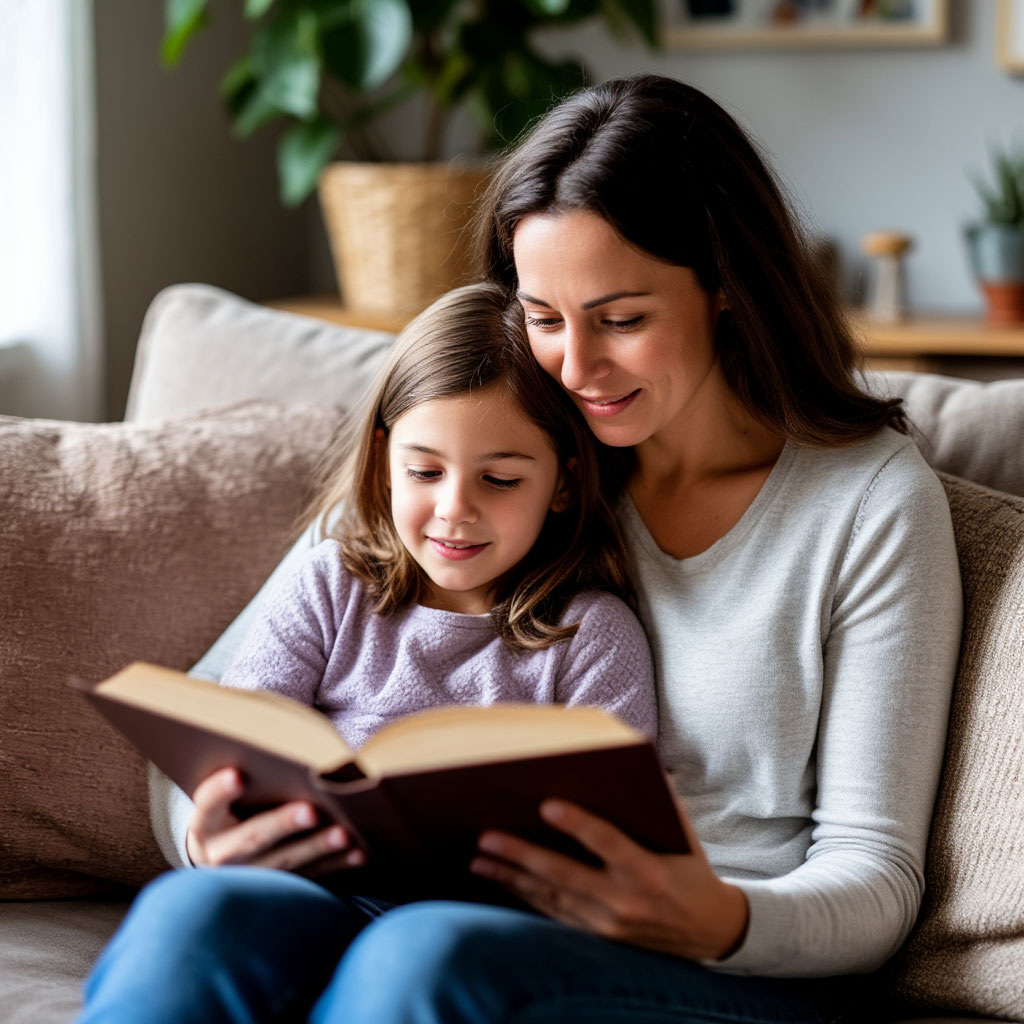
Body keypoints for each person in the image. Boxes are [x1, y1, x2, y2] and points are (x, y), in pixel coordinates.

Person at [85, 74, 962, 1024]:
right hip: (400, 902)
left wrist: (715, 917)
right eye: (543, 317)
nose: (575, 370)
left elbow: (877, 880)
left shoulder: (868, 505)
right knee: (200, 917)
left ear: (725, 288)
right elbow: (217, 718)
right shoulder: (480, 457)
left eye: (621, 320)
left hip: (716, 963)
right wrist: (206, 834)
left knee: (427, 958)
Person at [78, 282, 657, 1022]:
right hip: (310, 891)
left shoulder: (590, 634)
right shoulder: (333, 582)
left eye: (501, 479)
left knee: (409, 959)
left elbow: (618, 830)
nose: (455, 508)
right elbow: (249, 739)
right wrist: (214, 825)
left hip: (481, 932)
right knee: (192, 913)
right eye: (424, 471)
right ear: (385, 458)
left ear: (565, 483)